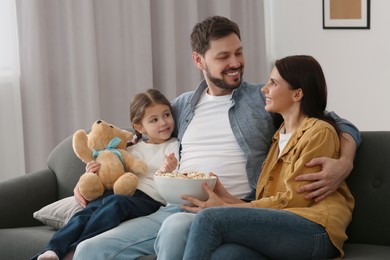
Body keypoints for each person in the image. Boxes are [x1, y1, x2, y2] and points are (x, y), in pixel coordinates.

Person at [73, 16, 360, 260]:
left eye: (239, 52)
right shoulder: (181, 106)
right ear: (199, 60)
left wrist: (345, 161)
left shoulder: (263, 99)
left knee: (176, 229)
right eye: (223, 56)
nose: (235, 62)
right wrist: (96, 171)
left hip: (233, 208)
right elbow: (132, 139)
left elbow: (331, 120)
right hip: (173, 207)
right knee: (89, 249)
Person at [163, 55, 354, 260]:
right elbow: (269, 204)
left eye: (273, 83)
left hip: (316, 230)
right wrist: (226, 198)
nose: (264, 90)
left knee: (208, 219)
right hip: (284, 227)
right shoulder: (277, 138)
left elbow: (295, 200)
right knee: (225, 255)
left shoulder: (319, 132)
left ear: (297, 94)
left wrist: (226, 208)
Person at [34, 89, 179, 260]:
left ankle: (74, 249)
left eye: (167, 115)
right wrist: (92, 172)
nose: (164, 122)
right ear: (139, 127)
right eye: (154, 120)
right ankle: (52, 250)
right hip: (116, 193)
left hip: (148, 200)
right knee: (85, 214)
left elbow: (174, 178)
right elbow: (111, 169)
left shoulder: (172, 146)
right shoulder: (129, 147)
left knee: (116, 204)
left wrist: (166, 170)